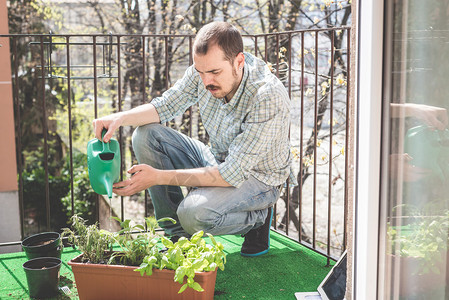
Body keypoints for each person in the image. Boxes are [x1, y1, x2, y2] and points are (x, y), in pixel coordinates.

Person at [92, 21, 296, 257]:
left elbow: (232, 173)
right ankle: (177, 236)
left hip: (259, 179)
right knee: (145, 134)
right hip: (218, 159)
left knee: (193, 214)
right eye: (200, 72)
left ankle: (257, 219)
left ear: (239, 62)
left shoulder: (267, 96)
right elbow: (166, 105)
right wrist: (117, 118)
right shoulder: (203, 72)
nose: (206, 80)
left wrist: (157, 177)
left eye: (214, 72)